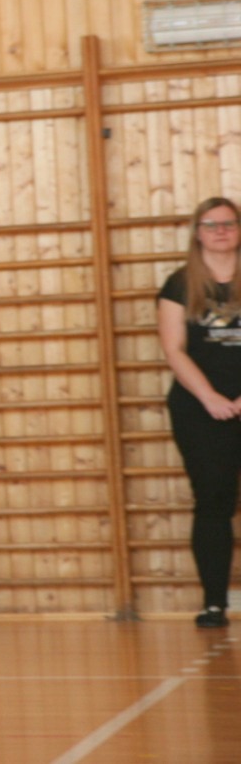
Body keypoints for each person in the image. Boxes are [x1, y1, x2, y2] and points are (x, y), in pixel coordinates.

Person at [156, 197, 241, 629]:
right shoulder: (179, 284)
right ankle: (214, 604)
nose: (220, 231)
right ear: (198, 233)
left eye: (228, 223)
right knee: (213, 501)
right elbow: (174, 349)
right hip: (200, 409)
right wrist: (209, 397)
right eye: (211, 224)